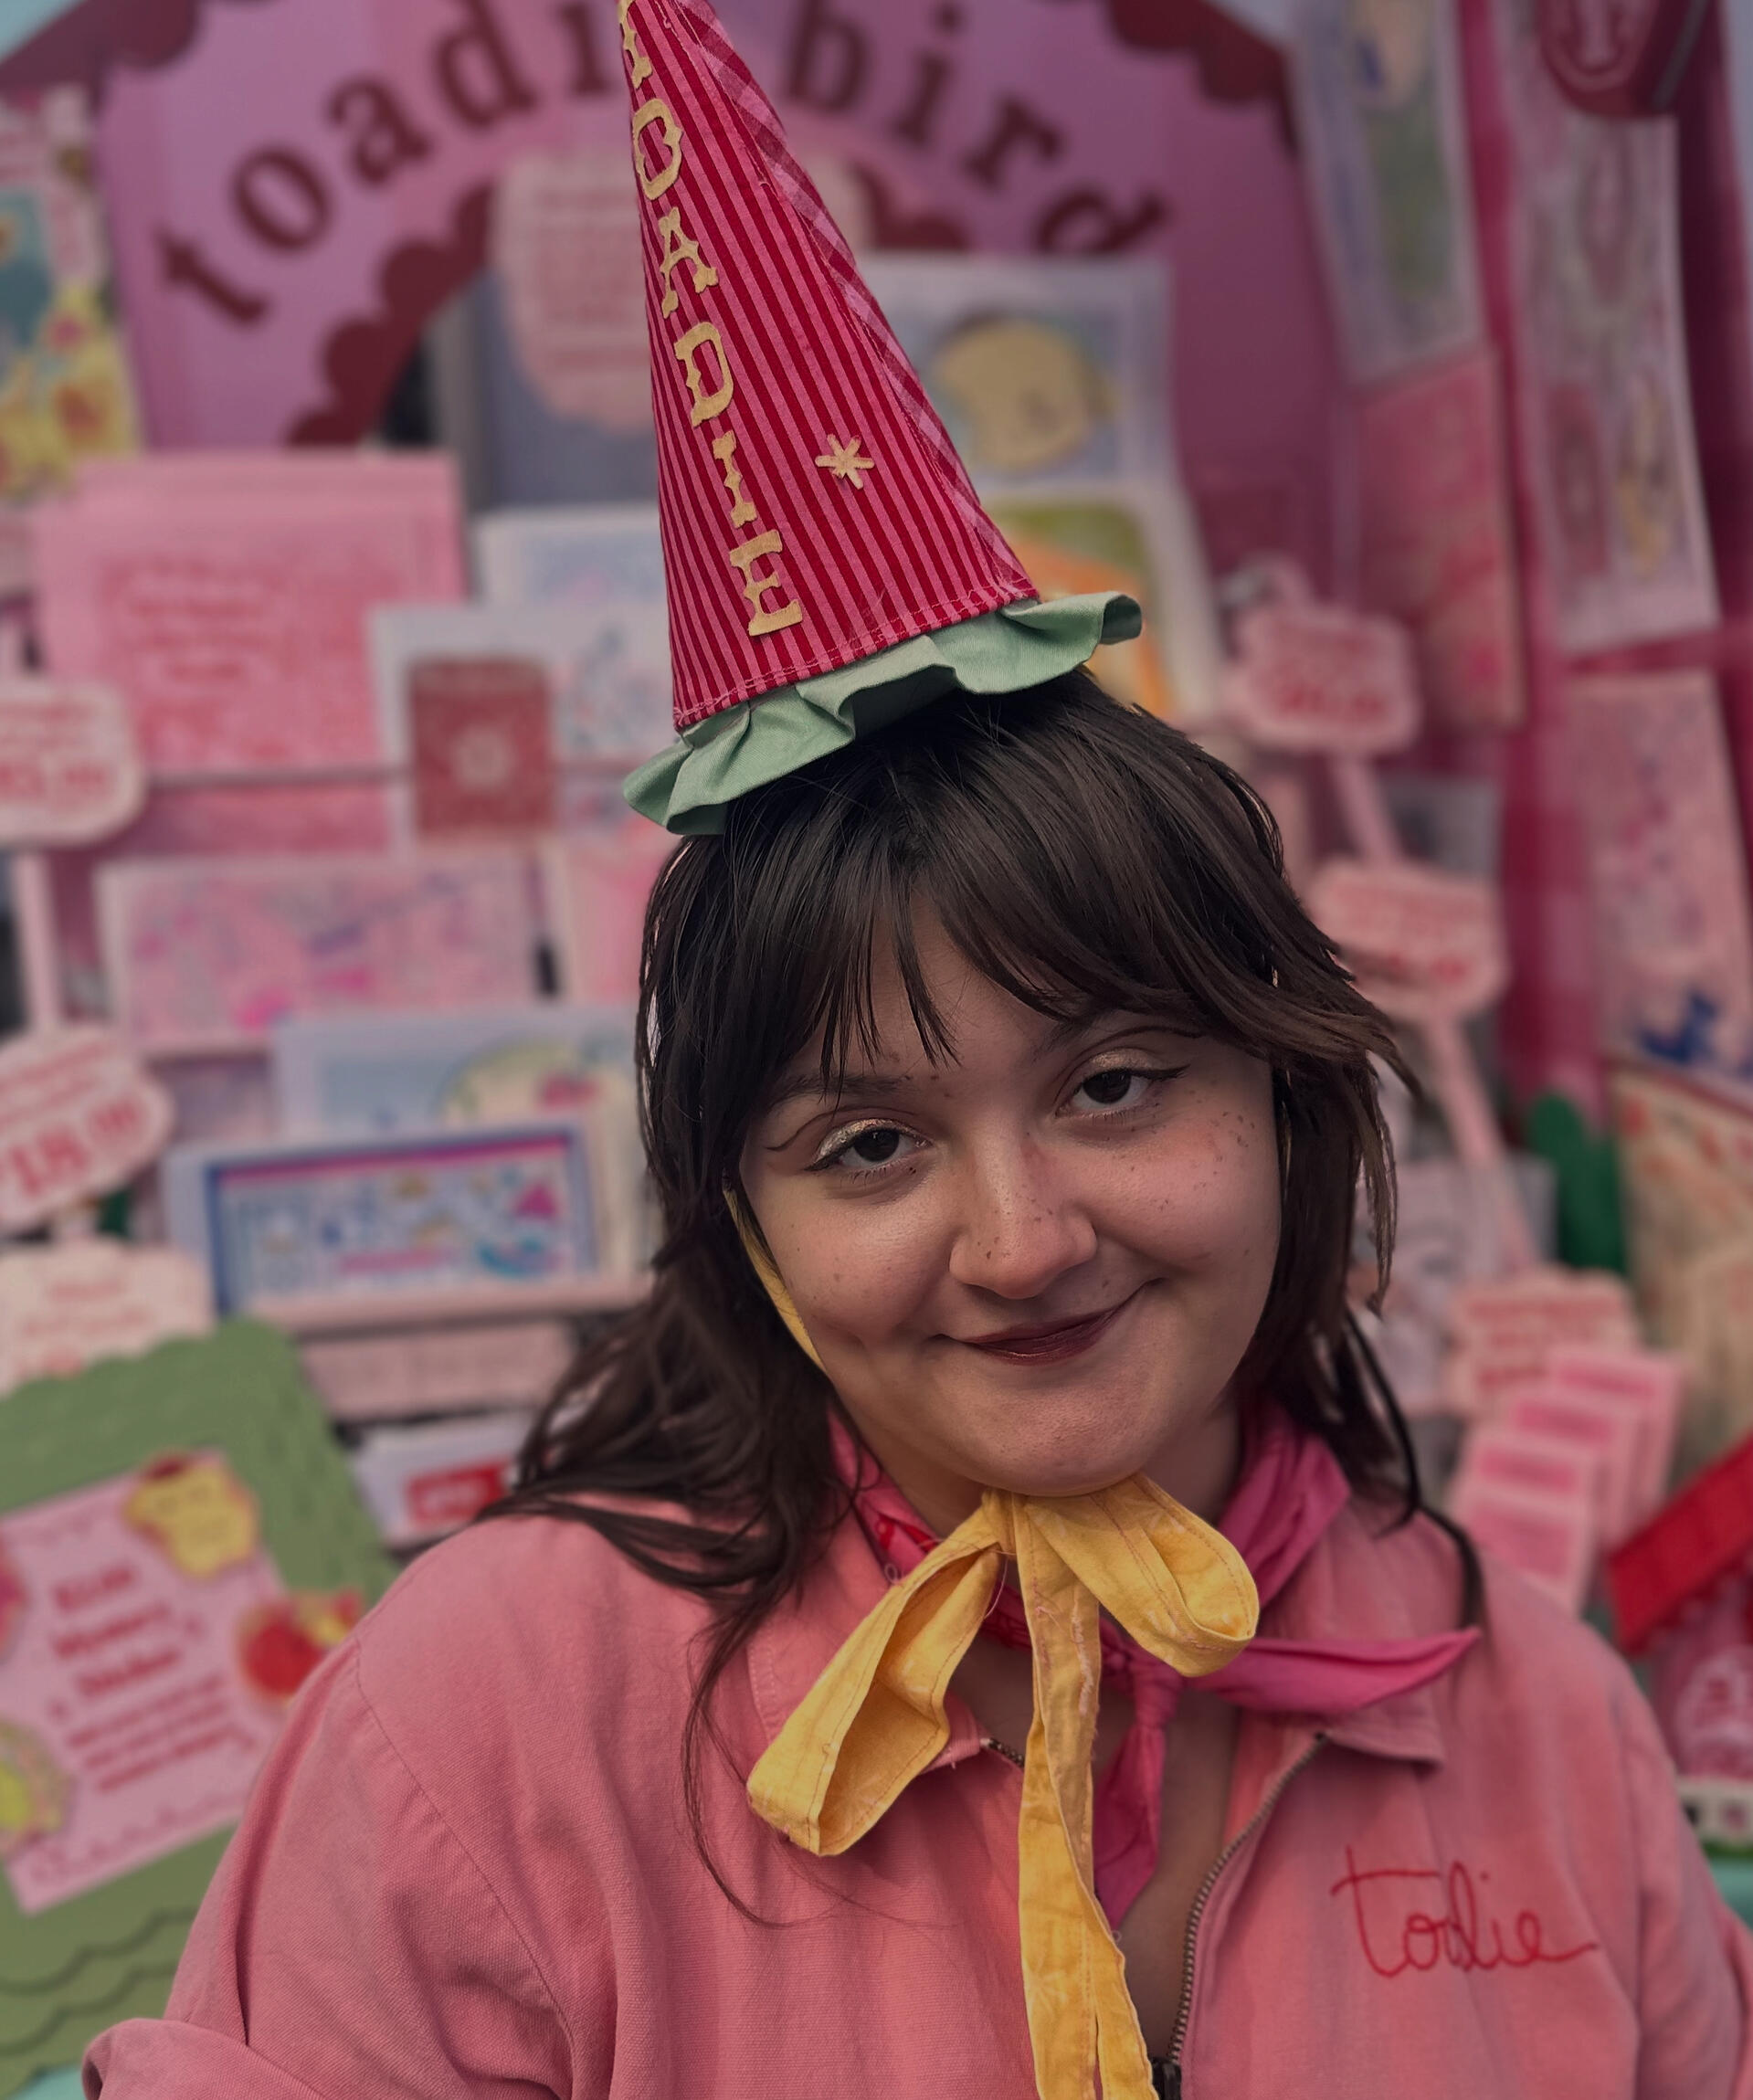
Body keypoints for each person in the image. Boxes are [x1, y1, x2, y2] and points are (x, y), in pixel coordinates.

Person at [88, 4, 1753, 2096]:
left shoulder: (1543, 1718)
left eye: (1114, 1085)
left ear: (1290, 1091)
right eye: (870, 1143)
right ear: (743, 1220)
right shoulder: (486, 1721)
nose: (1023, 1237)